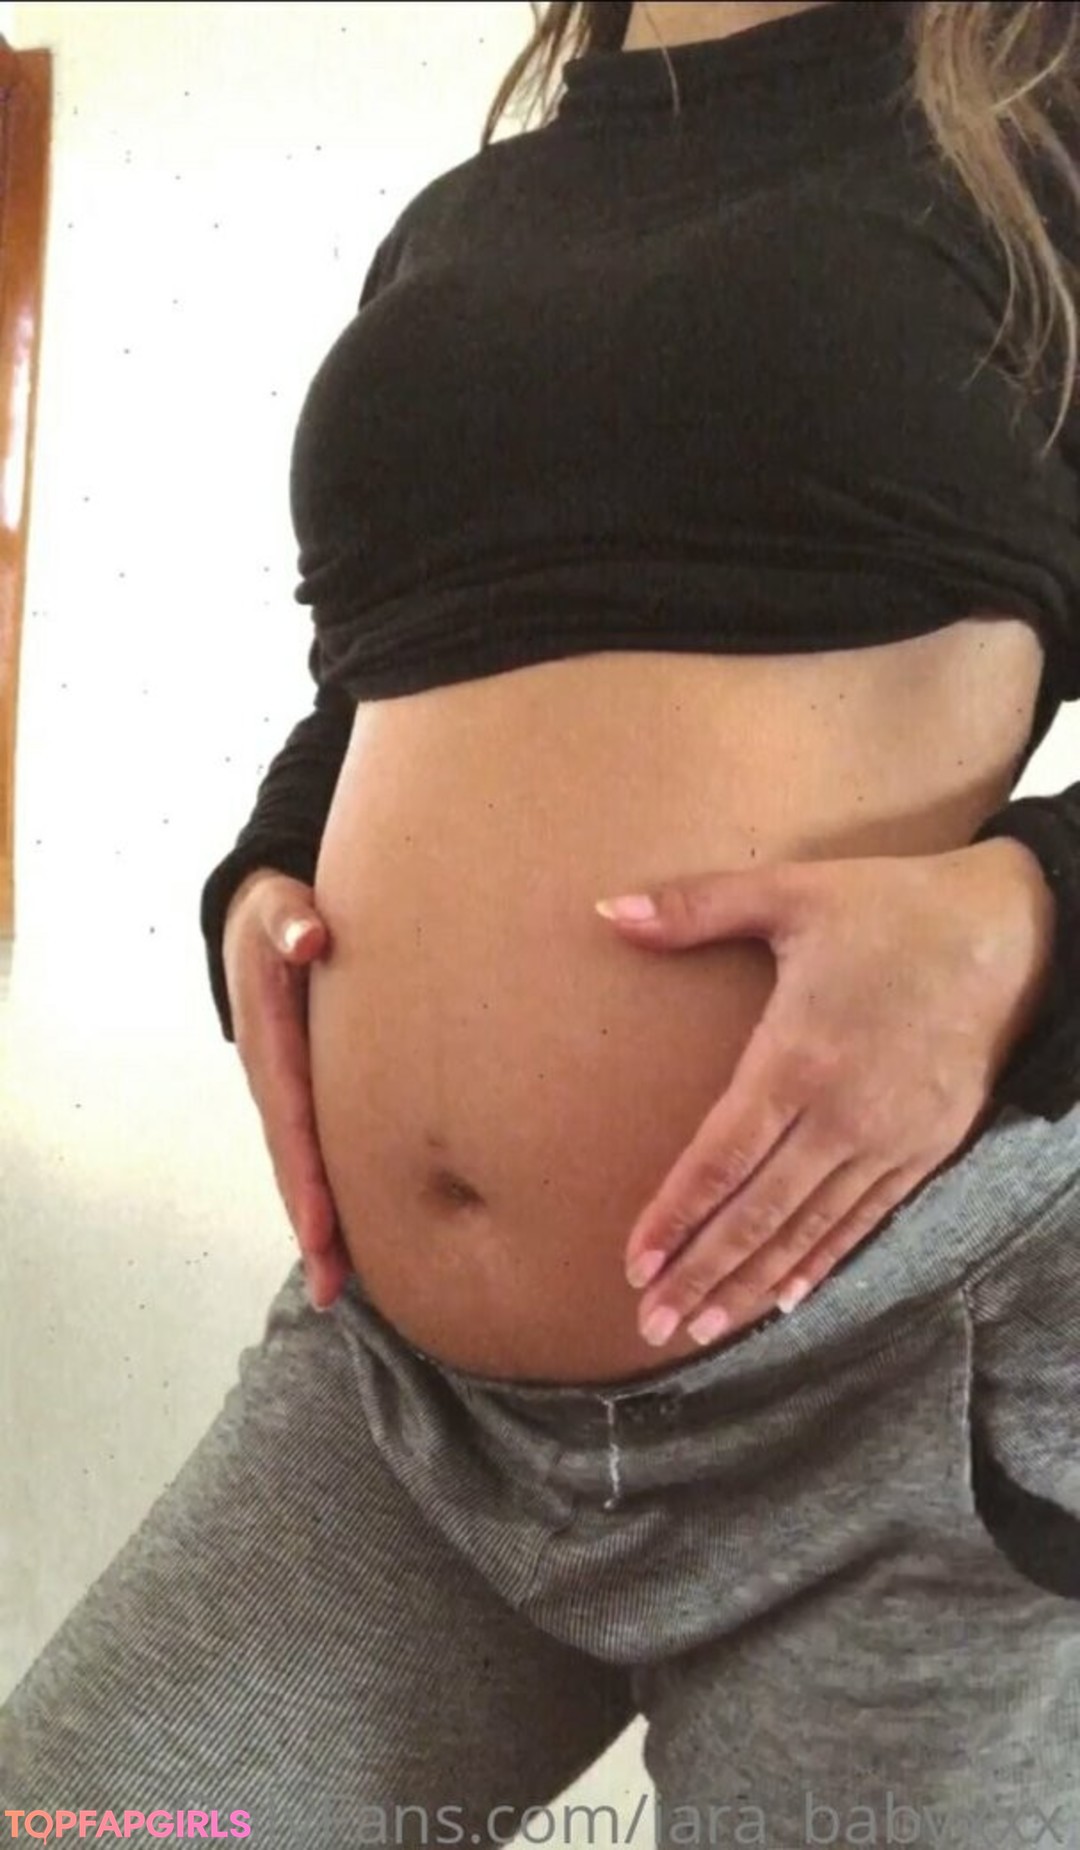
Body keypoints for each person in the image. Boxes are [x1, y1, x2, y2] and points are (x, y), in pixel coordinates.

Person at [4, 0, 1080, 1842]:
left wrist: (1028, 915)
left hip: (907, 1371)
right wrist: (260, 878)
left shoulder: (1038, 125)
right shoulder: (470, 223)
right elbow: (384, 676)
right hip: (406, 1397)